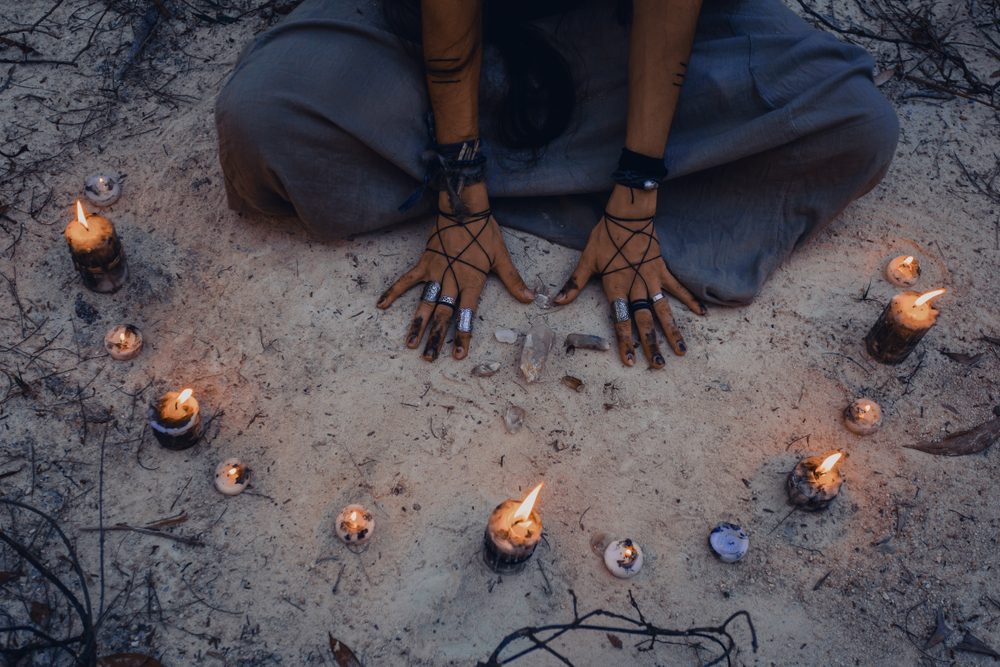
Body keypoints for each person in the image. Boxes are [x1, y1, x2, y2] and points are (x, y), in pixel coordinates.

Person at [215, 0, 899, 368]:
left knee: (853, 124)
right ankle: (549, 169)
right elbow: (448, 26)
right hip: (437, 30)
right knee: (267, 120)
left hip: (623, 35)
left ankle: (563, 169)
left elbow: (666, 20)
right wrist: (461, 191)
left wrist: (634, 195)